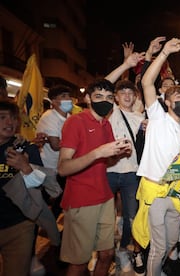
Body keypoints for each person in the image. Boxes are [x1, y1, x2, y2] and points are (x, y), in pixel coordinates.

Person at [57, 51, 141, 275]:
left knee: (106, 255)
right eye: (98, 97)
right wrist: (97, 153)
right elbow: (63, 167)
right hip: (82, 200)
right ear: (87, 99)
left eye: (107, 98)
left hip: (105, 198)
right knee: (79, 261)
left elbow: (106, 158)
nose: (104, 101)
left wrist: (118, 153)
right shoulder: (75, 122)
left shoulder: (106, 125)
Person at [131, 38, 180, 276]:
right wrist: (164, 52)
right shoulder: (157, 116)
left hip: (175, 194)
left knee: (171, 241)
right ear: (166, 103)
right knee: (157, 246)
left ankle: (155, 270)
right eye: (177, 100)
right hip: (155, 192)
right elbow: (146, 82)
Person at [0, 101, 60, 276]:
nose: (9, 123)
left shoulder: (25, 148)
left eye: (13, 118)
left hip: (19, 225)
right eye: (2, 118)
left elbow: (45, 189)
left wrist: (25, 167)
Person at [106, 79, 145, 273]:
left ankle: (123, 250)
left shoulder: (140, 118)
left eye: (131, 92)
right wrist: (127, 62)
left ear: (135, 96)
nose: (127, 96)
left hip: (131, 173)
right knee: (103, 215)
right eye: (123, 93)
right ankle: (101, 252)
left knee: (132, 217)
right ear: (116, 97)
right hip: (108, 172)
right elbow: (105, 83)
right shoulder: (110, 111)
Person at [36, 84, 73, 218]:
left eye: (68, 96)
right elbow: (55, 145)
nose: (68, 99)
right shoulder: (49, 116)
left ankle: (51, 221)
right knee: (49, 197)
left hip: (62, 165)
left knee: (59, 196)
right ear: (53, 101)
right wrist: (75, 143)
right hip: (49, 166)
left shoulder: (69, 117)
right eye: (63, 96)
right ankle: (44, 222)